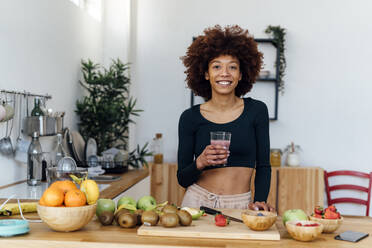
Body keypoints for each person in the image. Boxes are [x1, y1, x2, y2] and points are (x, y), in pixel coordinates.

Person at [177, 25, 274, 211]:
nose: (224, 73)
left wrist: (260, 200)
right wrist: (200, 162)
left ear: (241, 74)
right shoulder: (189, 118)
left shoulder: (257, 111)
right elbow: (182, 179)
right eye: (216, 66)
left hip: (240, 204)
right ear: (206, 74)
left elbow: (263, 165)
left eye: (232, 67)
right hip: (197, 202)